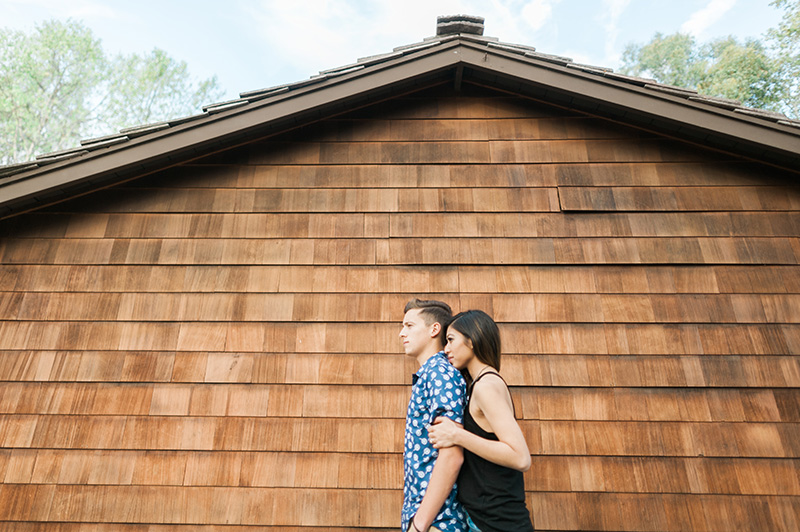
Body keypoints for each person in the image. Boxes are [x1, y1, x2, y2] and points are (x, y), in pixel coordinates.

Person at [427, 310, 534, 532]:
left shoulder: (486, 386)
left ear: (472, 339)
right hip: (484, 518)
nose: (445, 349)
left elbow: (520, 457)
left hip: (497, 523)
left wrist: (457, 435)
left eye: (450, 340)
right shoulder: (480, 384)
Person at [399, 298, 468, 532]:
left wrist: (420, 525)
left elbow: (452, 454)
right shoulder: (429, 375)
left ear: (434, 329)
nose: (401, 333)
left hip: (439, 522)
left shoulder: (440, 374)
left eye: (409, 326)